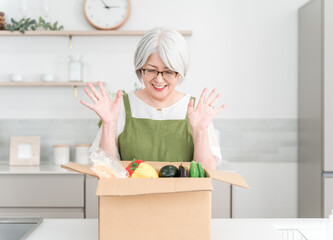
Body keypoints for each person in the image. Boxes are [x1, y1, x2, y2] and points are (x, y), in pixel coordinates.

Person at [80, 27, 225, 170]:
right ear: (139, 68)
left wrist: (200, 131)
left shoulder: (195, 110)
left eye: (168, 71)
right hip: (131, 194)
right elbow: (105, 169)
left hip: (183, 195)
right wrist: (109, 125)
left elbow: (208, 171)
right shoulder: (121, 107)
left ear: (180, 72)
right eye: (151, 70)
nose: (159, 80)